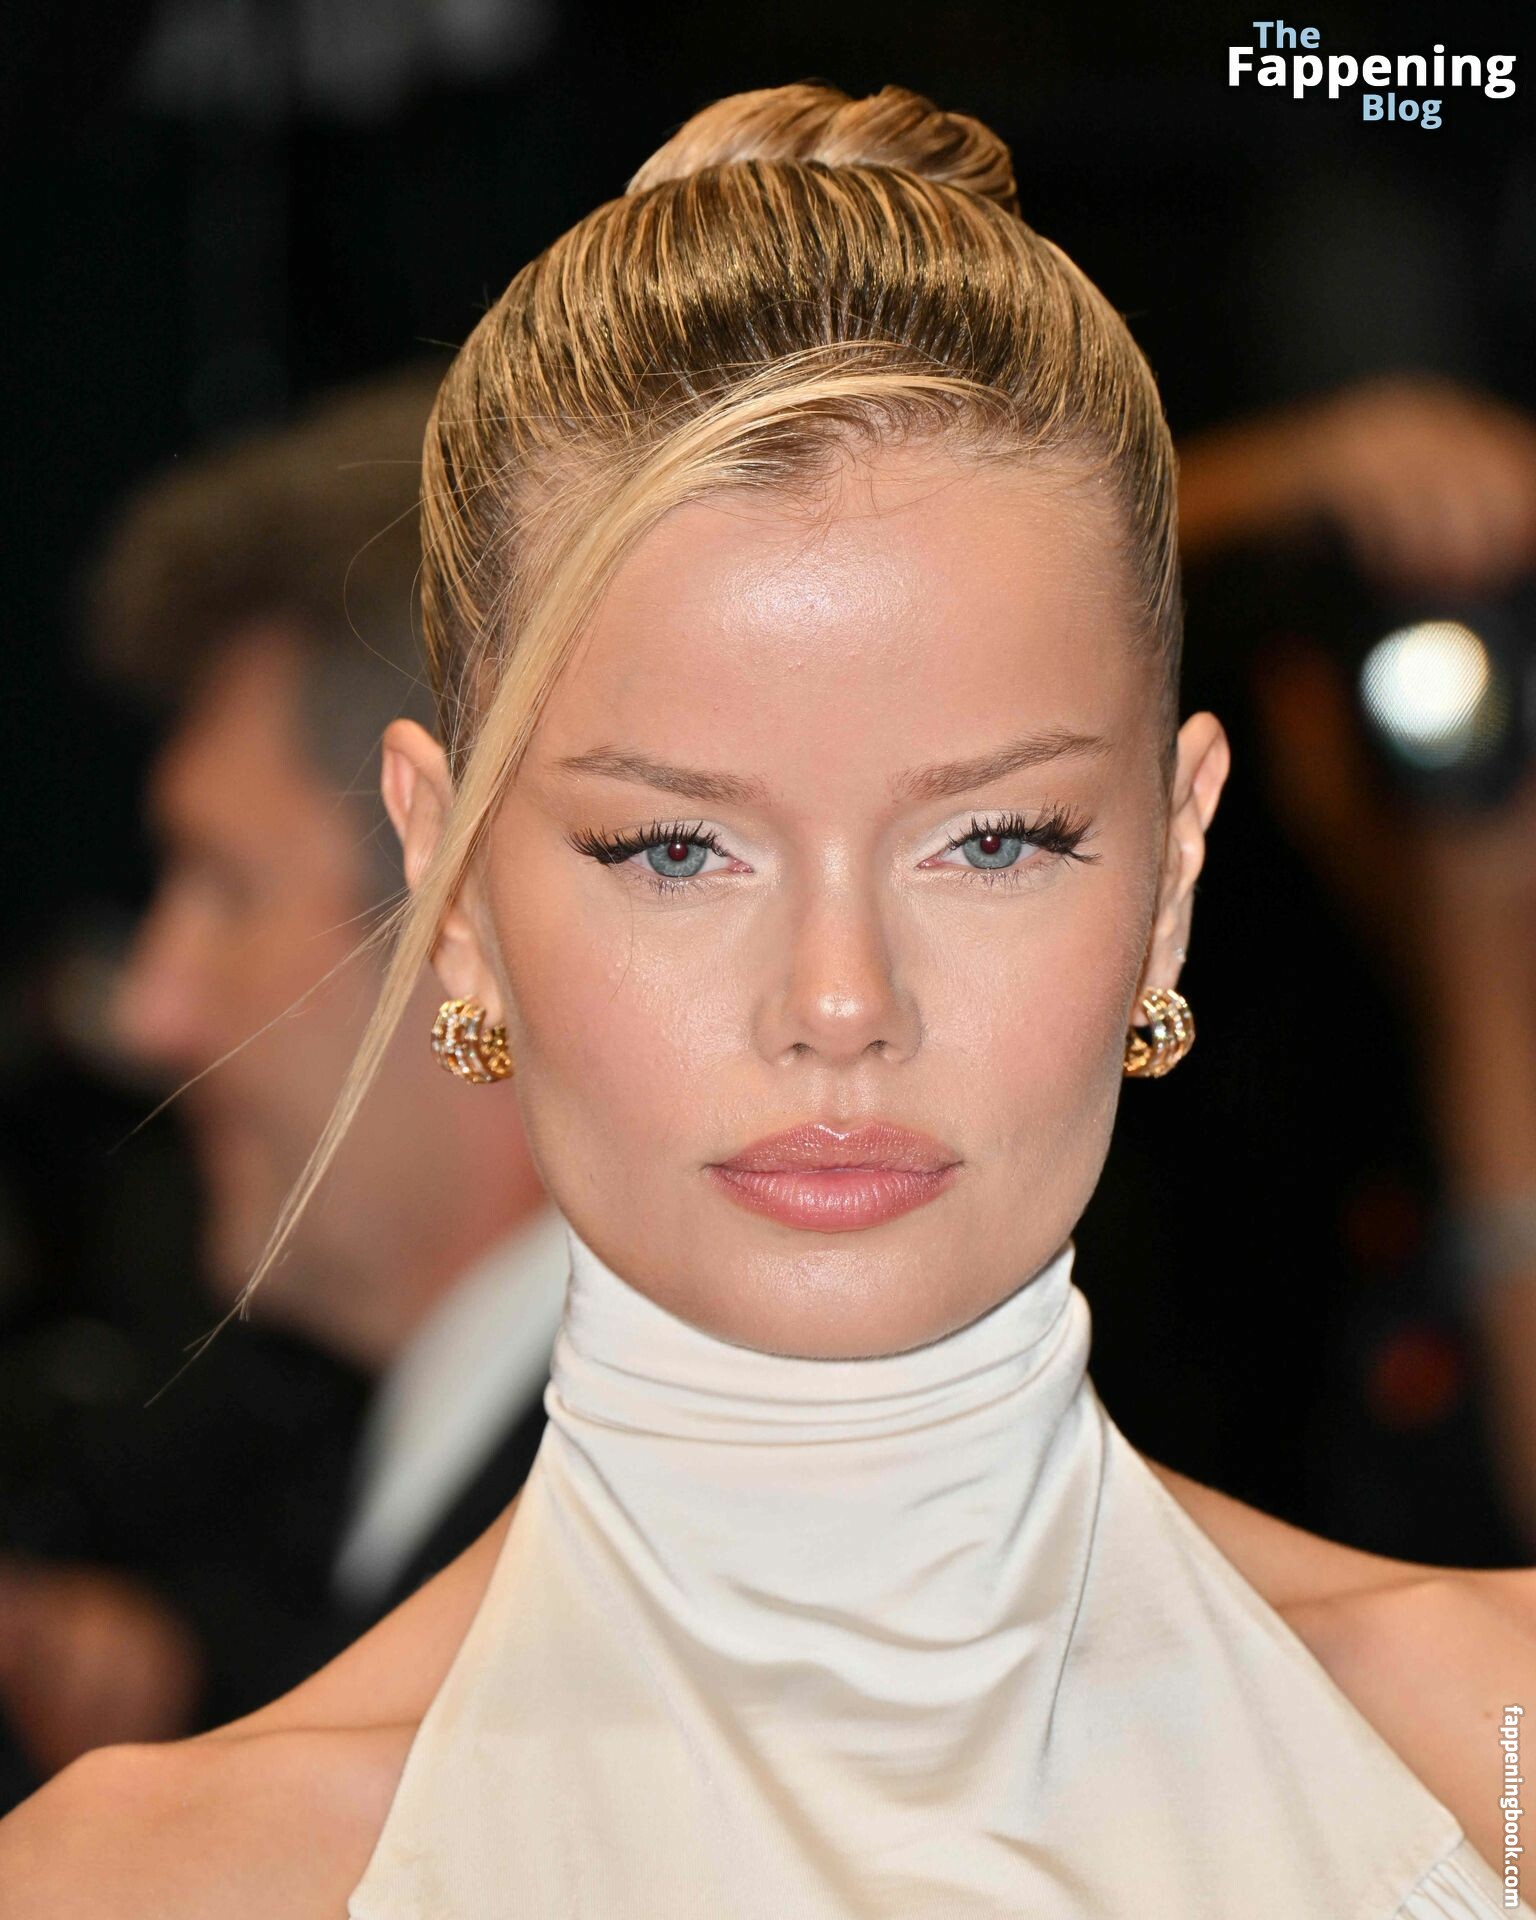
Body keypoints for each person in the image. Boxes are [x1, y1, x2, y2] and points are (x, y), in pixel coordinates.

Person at [5, 80, 1534, 1917]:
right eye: (676, 850)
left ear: (1174, 870)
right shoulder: (137, 1886)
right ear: (454, 893)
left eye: (992, 839)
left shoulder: (1499, 1753)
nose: (839, 1002)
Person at [0, 373, 566, 1781]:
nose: (154, 1012)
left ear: (462, 929)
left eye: (224, 885)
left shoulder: (597, 1618)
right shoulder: (417, 1522)